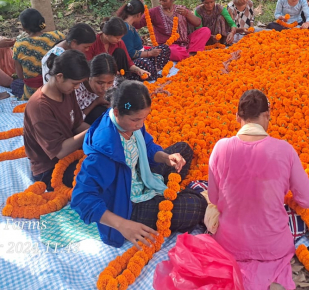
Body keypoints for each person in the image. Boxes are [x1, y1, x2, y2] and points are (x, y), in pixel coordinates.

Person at [71, 81, 205, 248]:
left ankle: (166, 192)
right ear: (117, 112)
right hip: (126, 205)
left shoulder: (129, 123)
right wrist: (123, 225)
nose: (141, 125)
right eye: (136, 120)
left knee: (183, 149)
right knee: (195, 206)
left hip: (141, 175)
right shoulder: (103, 152)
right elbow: (81, 198)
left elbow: (147, 145)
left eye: (144, 118)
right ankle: (170, 197)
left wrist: (165, 157)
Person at [208, 90, 309, 290]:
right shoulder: (284, 150)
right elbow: (308, 200)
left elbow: (214, 198)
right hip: (273, 247)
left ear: (238, 118)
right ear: (267, 115)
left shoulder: (220, 148)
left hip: (229, 245)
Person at [23, 50, 90, 191]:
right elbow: (60, 151)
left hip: (69, 151)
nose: (77, 87)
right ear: (59, 77)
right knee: (93, 176)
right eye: (75, 83)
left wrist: (102, 131)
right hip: (49, 168)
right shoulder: (40, 107)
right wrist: (91, 131)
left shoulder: (67, 92)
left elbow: (77, 124)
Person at [131, 0, 211, 61]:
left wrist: (187, 14)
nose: (162, 3)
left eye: (164, 1)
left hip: (186, 42)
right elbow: (137, 24)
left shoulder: (181, 9)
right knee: (174, 52)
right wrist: (138, 9)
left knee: (205, 31)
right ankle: (189, 54)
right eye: (160, 0)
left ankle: (189, 52)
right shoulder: (154, 12)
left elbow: (197, 23)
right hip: (168, 46)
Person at [12, 8, 64, 100]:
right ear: (42, 21)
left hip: (32, 95)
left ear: (24, 28)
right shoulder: (58, 36)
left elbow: (20, 76)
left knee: (15, 84)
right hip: (57, 89)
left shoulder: (19, 44)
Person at [116, 0, 171, 81]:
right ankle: (152, 73)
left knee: (163, 49)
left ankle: (154, 70)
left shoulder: (131, 26)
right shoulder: (126, 28)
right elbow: (130, 53)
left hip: (142, 55)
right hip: (130, 63)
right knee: (145, 63)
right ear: (139, 15)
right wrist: (149, 53)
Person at [77, 53, 118, 125]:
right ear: (89, 76)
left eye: (109, 82)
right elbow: (74, 122)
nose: (105, 88)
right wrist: (96, 102)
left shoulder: (114, 84)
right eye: (99, 83)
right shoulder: (77, 89)